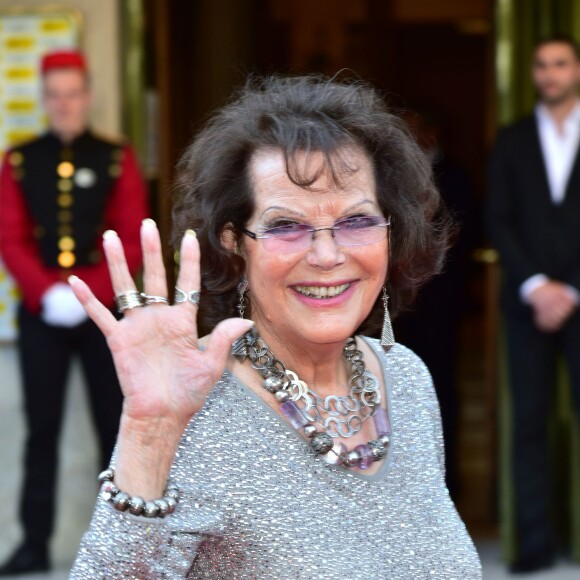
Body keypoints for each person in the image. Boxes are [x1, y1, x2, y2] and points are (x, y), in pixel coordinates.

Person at [70, 75, 481, 578]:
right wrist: (150, 434)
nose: (328, 255)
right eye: (286, 226)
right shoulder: (193, 407)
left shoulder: (407, 378)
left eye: (356, 221)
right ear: (234, 243)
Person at [0, 49, 148, 575]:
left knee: (114, 426)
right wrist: (46, 294)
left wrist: (86, 291)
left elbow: (131, 240)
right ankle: (34, 542)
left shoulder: (114, 157)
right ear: (44, 99)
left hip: (101, 315)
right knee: (42, 430)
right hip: (42, 314)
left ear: (87, 97)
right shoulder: (19, 159)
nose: (64, 104)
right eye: (54, 95)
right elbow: (11, 238)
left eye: (72, 93)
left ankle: (120, 542)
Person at [486, 37, 580, 574]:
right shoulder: (513, 138)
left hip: (579, 301)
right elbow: (499, 218)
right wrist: (538, 287)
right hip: (526, 304)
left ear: (576, 70)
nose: (550, 73)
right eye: (541, 64)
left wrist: (570, 289)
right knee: (529, 423)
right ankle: (536, 545)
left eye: (560, 63)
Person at [397, 108, 476, 499]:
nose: (410, 135)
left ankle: (447, 485)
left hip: (441, 306)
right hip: (400, 308)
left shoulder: (456, 175)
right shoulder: (395, 176)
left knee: (441, 389)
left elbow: (466, 236)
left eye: (416, 127)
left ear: (433, 131)